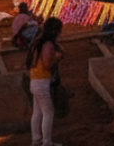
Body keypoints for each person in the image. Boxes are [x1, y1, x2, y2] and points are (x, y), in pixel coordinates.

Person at [27, 17, 64, 146]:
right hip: (43, 81)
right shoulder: (47, 44)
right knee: (48, 112)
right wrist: (57, 58)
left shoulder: (37, 42)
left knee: (37, 112)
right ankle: (47, 142)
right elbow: (48, 64)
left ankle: (36, 139)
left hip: (34, 80)